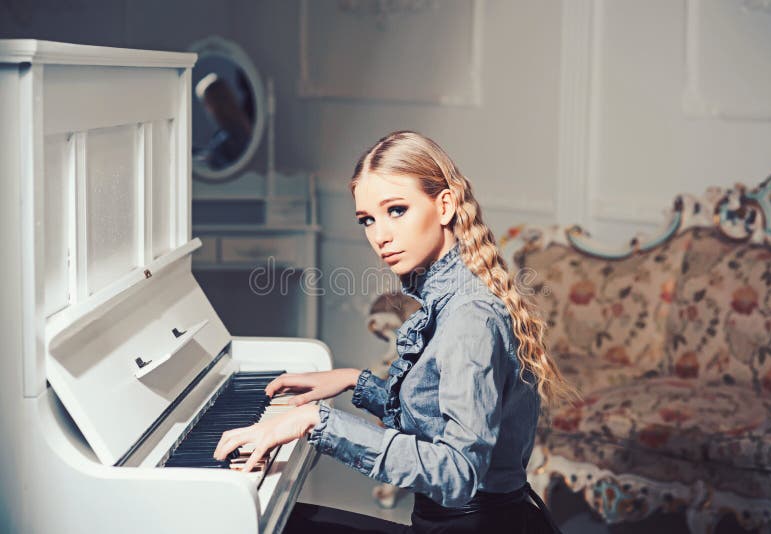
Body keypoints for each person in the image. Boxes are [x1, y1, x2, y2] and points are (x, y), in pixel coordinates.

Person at [213, 131, 576, 533]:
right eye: (367, 219)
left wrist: (318, 422)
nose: (379, 236)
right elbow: (434, 417)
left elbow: (457, 473)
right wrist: (355, 381)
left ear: (444, 205)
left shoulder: (470, 317)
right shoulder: (452, 294)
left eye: (396, 210)